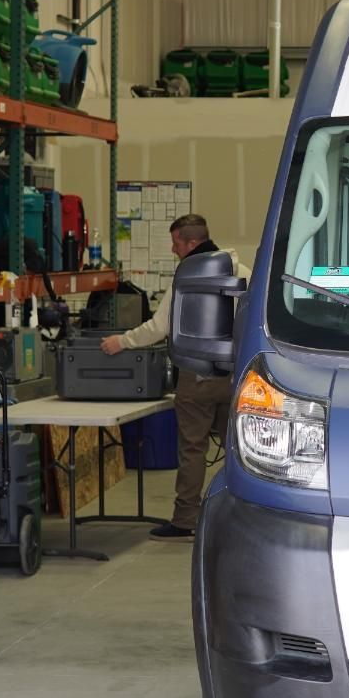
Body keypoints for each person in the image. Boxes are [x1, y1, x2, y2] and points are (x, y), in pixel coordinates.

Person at [101, 214, 242, 540]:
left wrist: (120, 342)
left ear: (191, 243)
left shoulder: (189, 273)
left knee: (193, 450)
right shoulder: (241, 269)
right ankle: (239, 517)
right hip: (234, 376)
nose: (173, 249)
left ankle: (185, 520)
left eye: (177, 242)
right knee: (237, 451)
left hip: (196, 376)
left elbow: (160, 326)